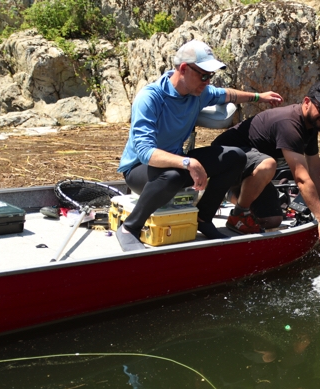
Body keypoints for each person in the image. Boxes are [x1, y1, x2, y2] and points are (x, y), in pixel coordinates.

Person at [116, 39, 283, 251]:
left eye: (210, 76)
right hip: (139, 169)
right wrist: (187, 162)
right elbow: (145, 151)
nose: (207, 81)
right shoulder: (150, 98)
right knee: (173, 176)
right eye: (204, 75)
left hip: (176, 163)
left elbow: (228, 94)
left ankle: (203, 219)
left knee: (236, 157)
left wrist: (260, 97)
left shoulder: (199, 93)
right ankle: (130, 228)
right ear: (184, 69)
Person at [212, 81, 320, 247]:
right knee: (268, 165)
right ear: (307, 102)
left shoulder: (311, 125)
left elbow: (315, 167)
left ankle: (228, 194)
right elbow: (301, 179)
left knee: (272, 219)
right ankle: (238, 213)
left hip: (250, 169)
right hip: (225, 159)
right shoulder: (290, 125)